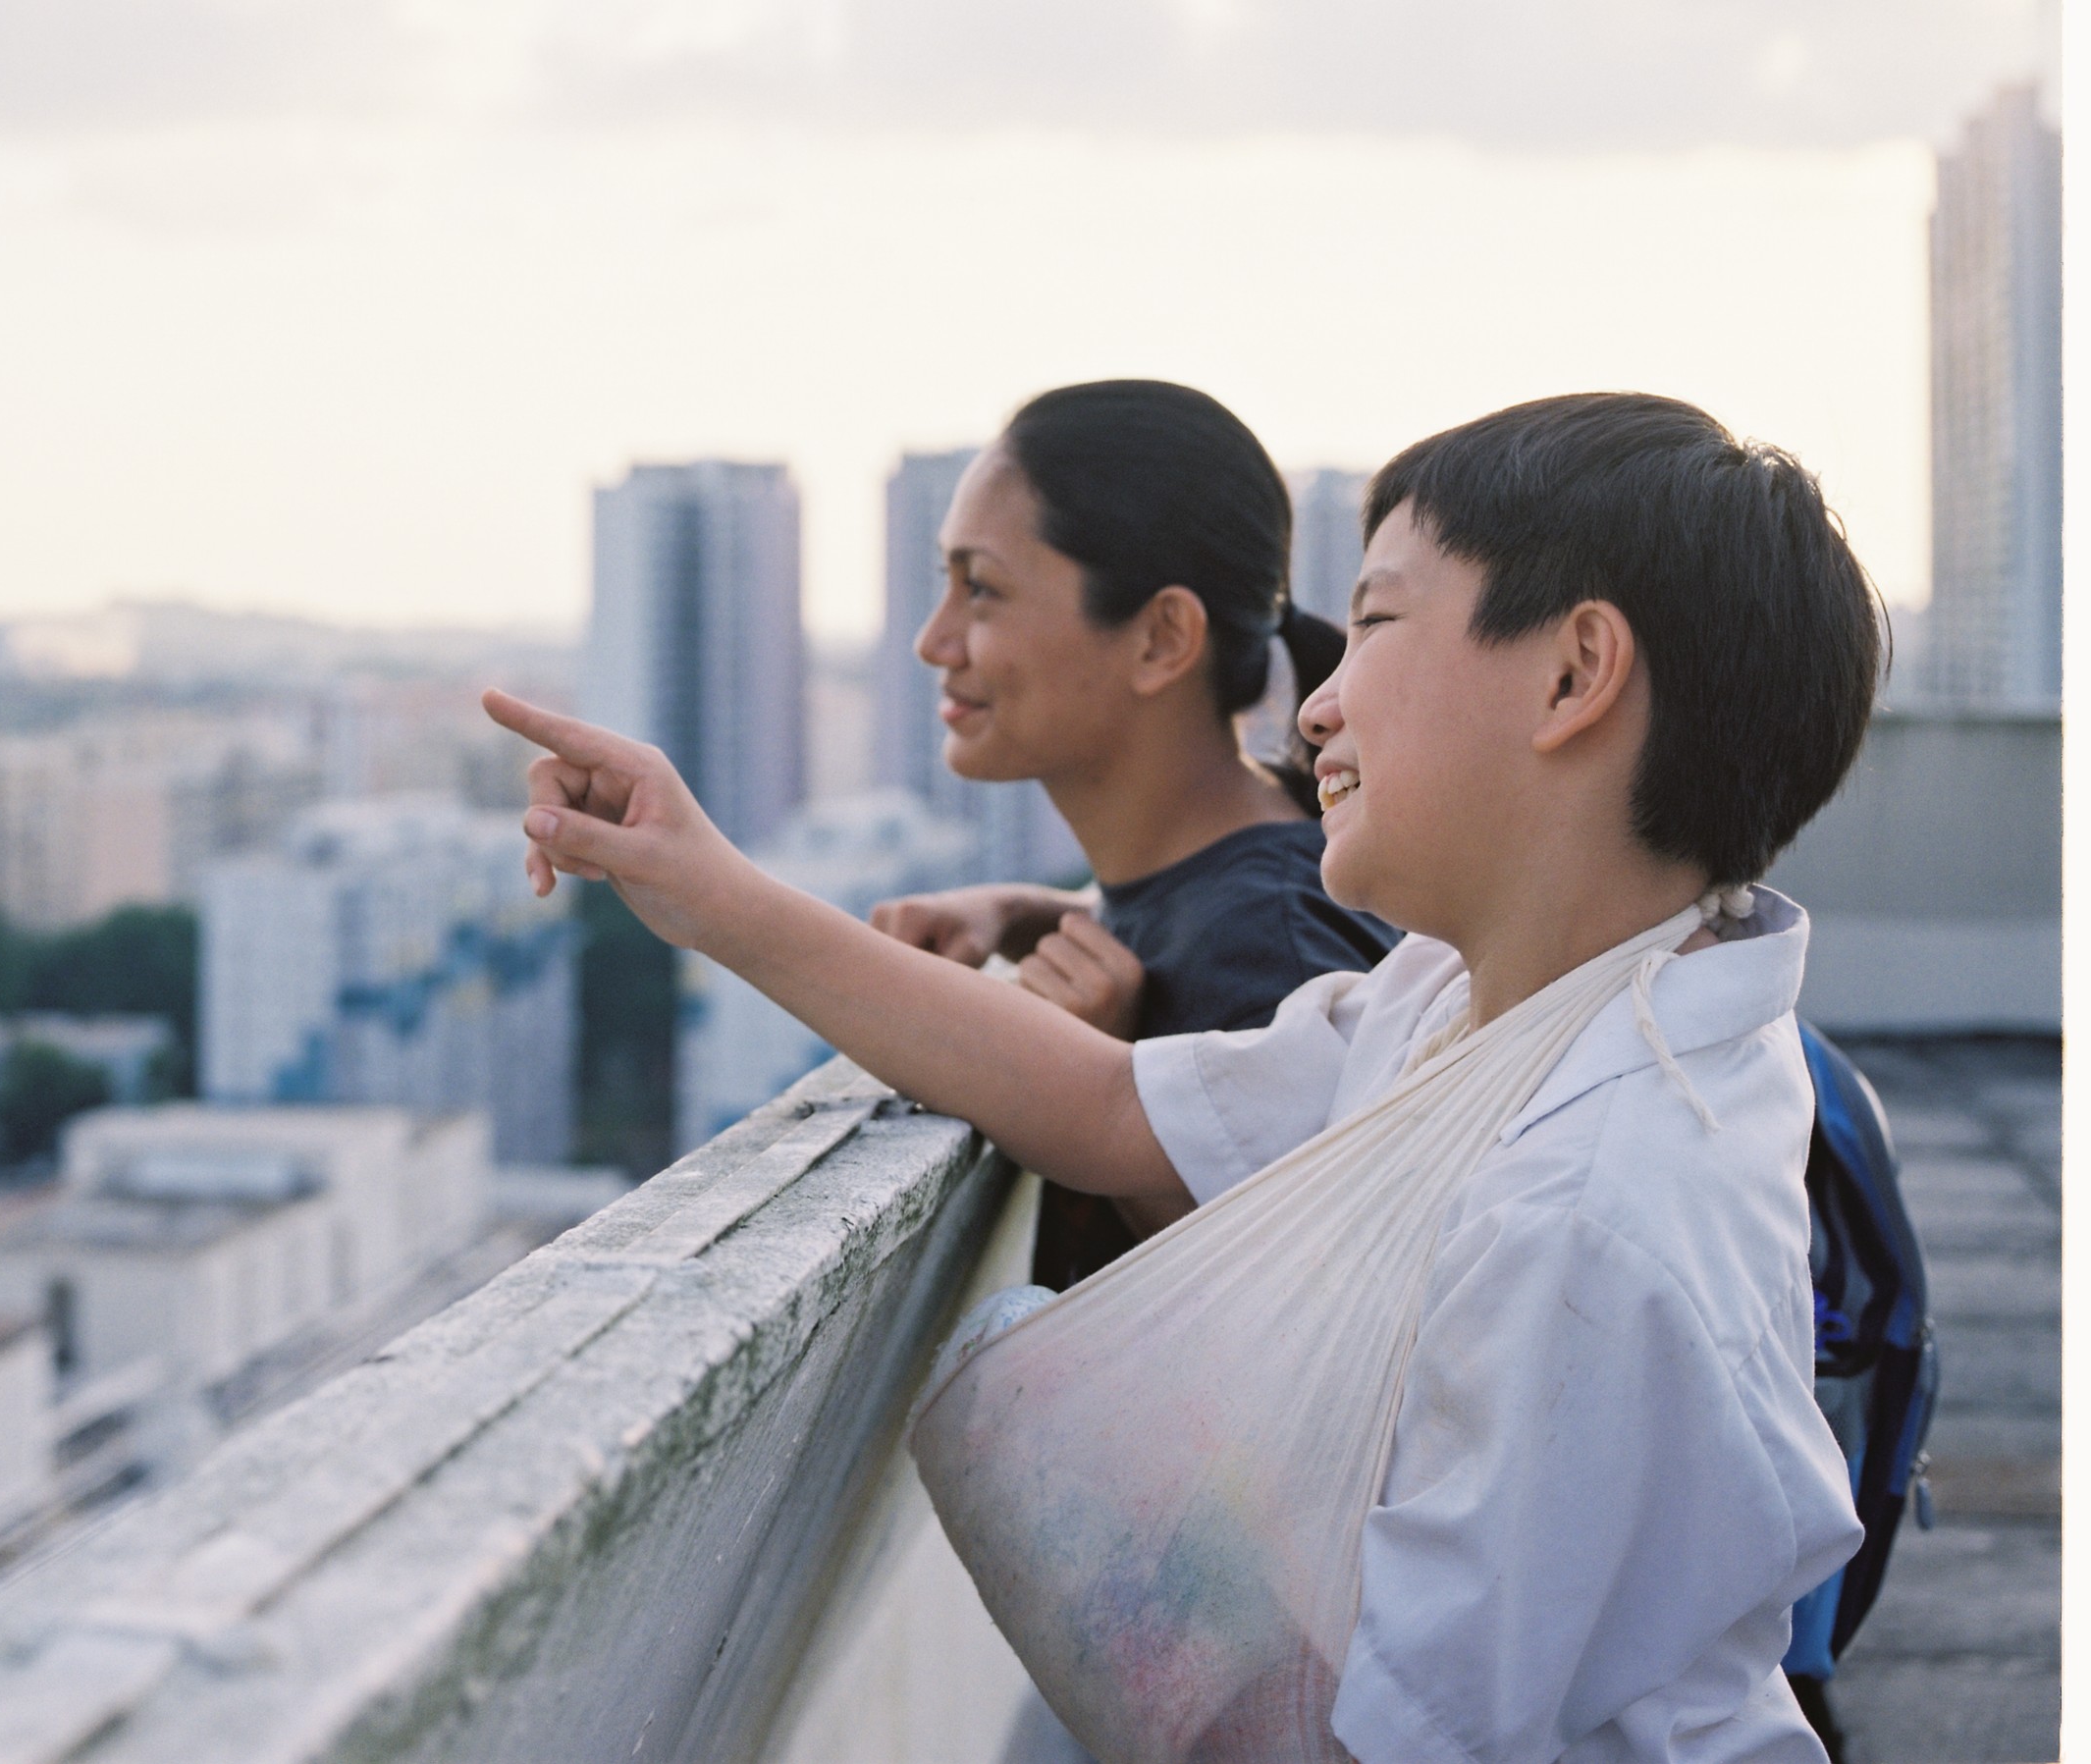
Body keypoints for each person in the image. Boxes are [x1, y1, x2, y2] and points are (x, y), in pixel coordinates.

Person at [487, 393, 1874, 1760]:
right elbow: (1106, 1106)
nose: (1318, 705)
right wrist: (708, 888)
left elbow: (1407, 1740)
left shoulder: (1585, 1202)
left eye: (1379, 621)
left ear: (1573, 675)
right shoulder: (1459, 1006)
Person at [862, 380, 1394, 1288]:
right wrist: (1028, 911)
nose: (934, 639)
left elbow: (1307, 1319)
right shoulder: (1220, 881)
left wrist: (1109, 1081)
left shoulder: (1274, 943)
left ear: (1160, 638)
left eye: (981, 589)